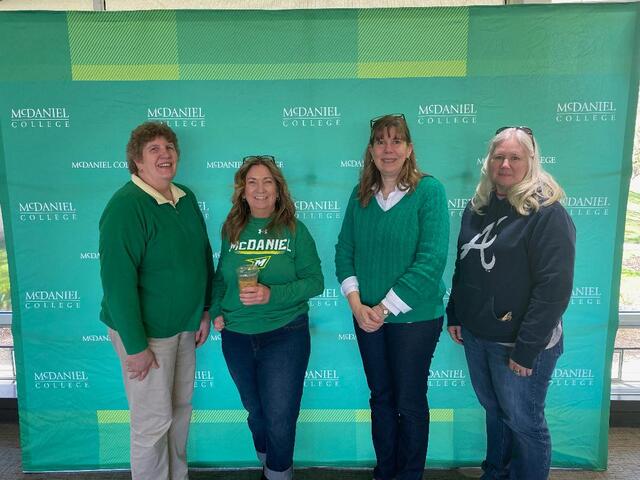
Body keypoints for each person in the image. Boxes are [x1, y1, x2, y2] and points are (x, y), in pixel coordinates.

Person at [446, 126, 576, 480]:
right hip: (477, 335)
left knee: (524, 422)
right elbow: (464, 265)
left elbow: (555, 288)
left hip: (519, 343)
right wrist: (455, 312)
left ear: (531, 161)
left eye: (514, 157)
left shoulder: (548, 213)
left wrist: (526, 349)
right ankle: (496, 474)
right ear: (488, 161)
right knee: (496, 412)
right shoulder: (478, 208)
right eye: (498, 156)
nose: (504, 164)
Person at [334, 114, 449, 480]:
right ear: (370, 150)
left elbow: (431, 261)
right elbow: (344, 251)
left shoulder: (429, 191)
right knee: (380, 398)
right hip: (366, 316)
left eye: (396, 140)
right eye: (381, 141)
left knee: (409, 402)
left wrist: (382, 307)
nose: (388, 148)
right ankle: (385, 472)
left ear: (409, 148)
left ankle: (409, 475)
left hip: (414, 319)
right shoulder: (360, 196)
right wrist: (357, 305)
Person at [99, 122, 213, 480]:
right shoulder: (125, 207)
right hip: (146, 337)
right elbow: (117, 284)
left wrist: (205, 309)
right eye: (154, 149)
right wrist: (135, 346)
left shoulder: (185, 197)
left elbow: (202, 257)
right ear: (137, 161)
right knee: (152, 424)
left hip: (183, 329)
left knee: (178, 416)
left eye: (169, 148)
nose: (165, 155)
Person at [211, 155, 324, 480]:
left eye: (267, 182)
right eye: (252, 182)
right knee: (256, 413)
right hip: (236, 335)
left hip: (285, 333)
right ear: (243, 192)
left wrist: (270, 294)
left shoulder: (294, 230)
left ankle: (277, 473)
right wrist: (217, 310)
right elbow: (220, 278)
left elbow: (315, 282)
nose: (260, 189)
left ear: (278, 190)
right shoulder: (232, 229)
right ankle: (268, 460)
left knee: (280, 416)